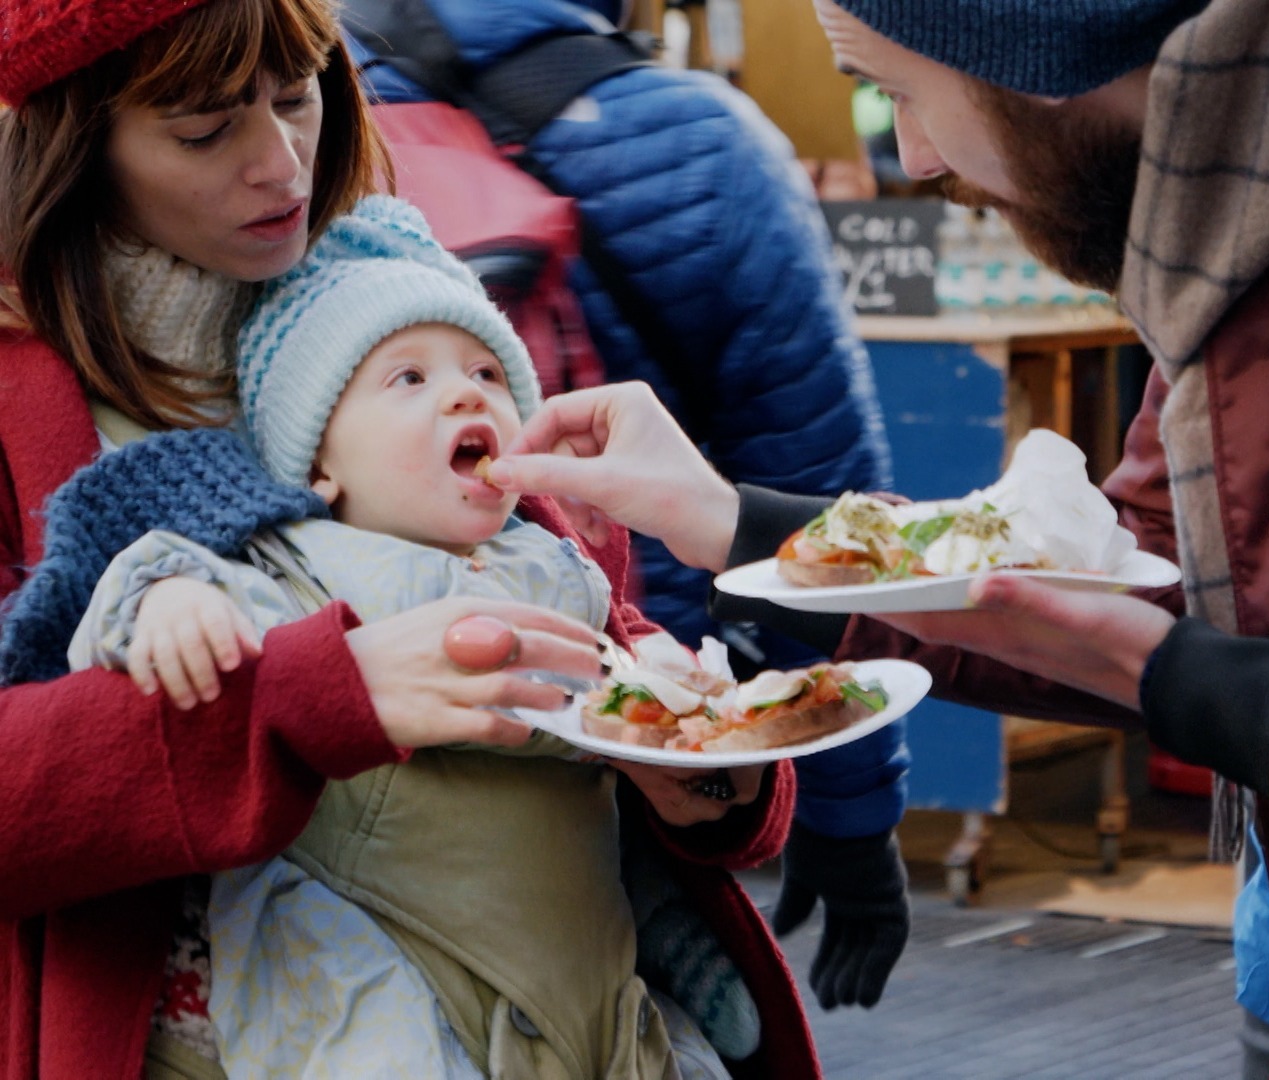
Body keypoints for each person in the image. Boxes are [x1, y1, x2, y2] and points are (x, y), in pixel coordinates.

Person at [483, 0, 1269, 1076]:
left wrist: (1182, 681)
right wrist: (735, 523)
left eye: (896, 92)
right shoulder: (1254, 180)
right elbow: (1126, 561)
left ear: (1021, 38)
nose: (915, 156)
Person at [0, 3, 812, 1077]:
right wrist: (307, 701)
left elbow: (586, 623)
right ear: (72, 146)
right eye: (203, 129)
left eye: (297, 94)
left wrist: (710, 772)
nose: (281, 162)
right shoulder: (23, 397)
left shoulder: (396, 297)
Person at [346, 0, 911, 1013]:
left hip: (365, 754)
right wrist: (853, 810)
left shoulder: (298, 118)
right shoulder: (704, 141)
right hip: (646, 748)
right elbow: (827, 511)